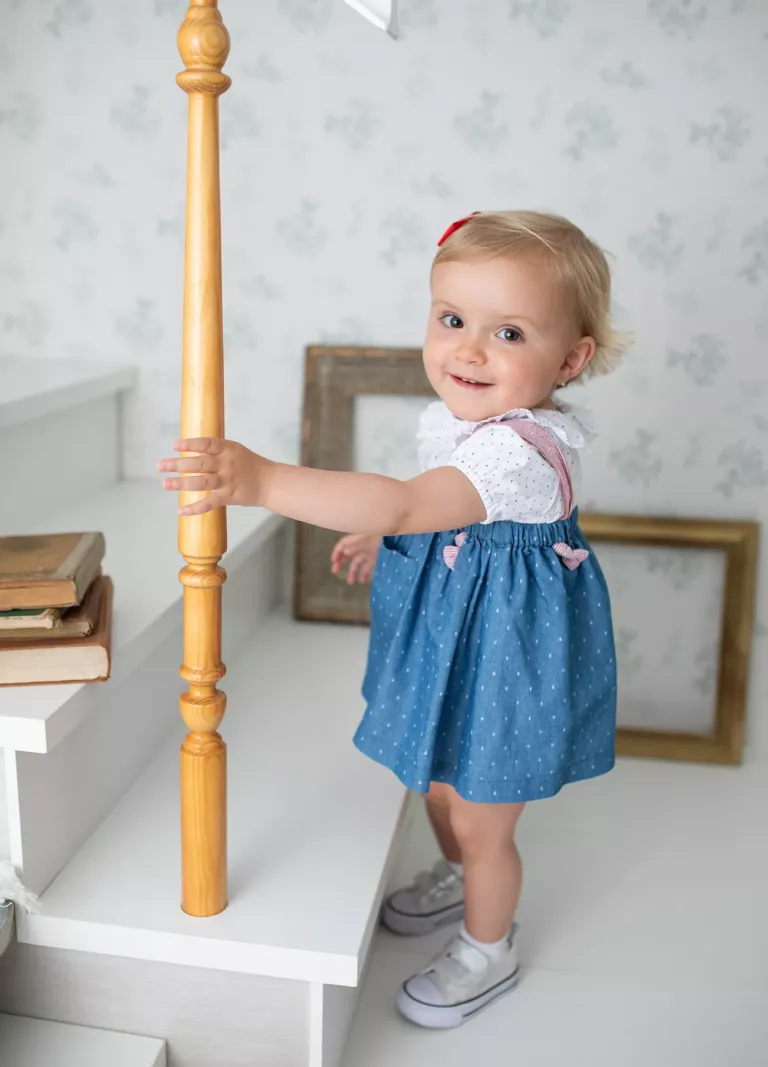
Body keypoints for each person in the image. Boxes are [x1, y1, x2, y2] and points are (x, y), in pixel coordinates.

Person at [158, 210, 625, 1030]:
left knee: (481, 816)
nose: (469, 350)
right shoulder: (462, 425)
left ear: (572, 358)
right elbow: (434, 505)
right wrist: (394, 531)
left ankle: (490, 946)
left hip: (507, 653)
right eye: (452, 319)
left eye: (508, 332)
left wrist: (267, 482)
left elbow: (413, 497)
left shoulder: (517, 450)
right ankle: (459, 877)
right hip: (464, 634)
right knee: (441, 789)